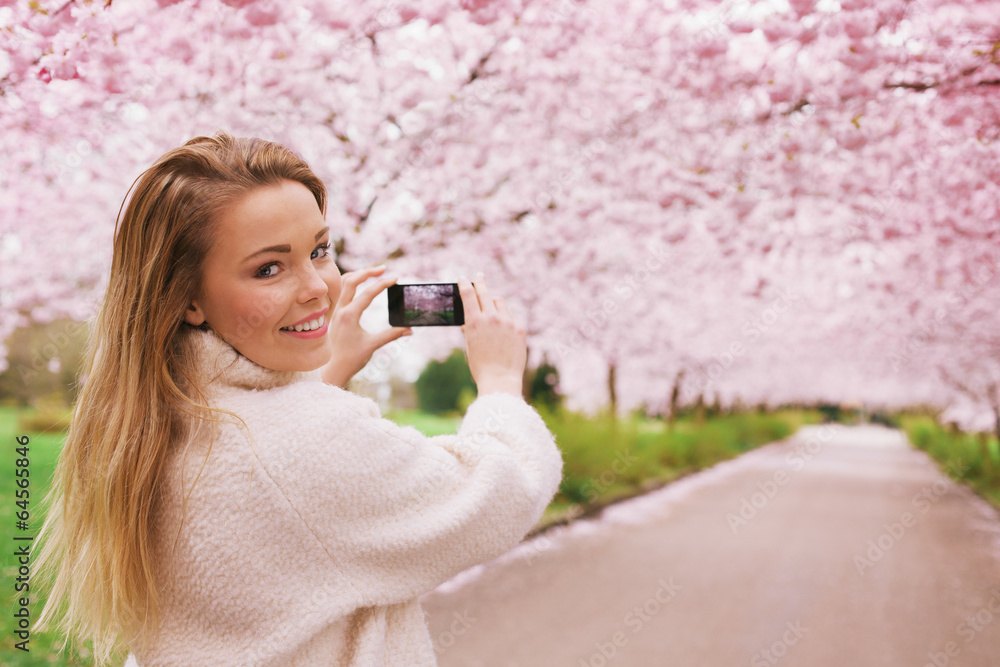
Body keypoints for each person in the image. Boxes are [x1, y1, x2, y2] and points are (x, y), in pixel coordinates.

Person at [34, 131, 564, 666]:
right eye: (269, 268)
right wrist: (498, 380)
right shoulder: (307, 443)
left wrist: (327, 372)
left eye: (319, 250)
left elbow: (279, 485)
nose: (316, 287)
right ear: (188, 298)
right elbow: (500, 493)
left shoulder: (156, 415)